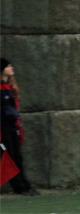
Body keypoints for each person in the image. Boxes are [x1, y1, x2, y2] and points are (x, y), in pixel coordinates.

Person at [1, 58, 38, 196]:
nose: (11, 68)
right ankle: (19, 185)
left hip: (11, 127)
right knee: (9, 157)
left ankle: (23, 185)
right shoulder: (2, 89)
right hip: (3, 128)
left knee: (17, 157)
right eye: (8, 66)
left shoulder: (9, 88)